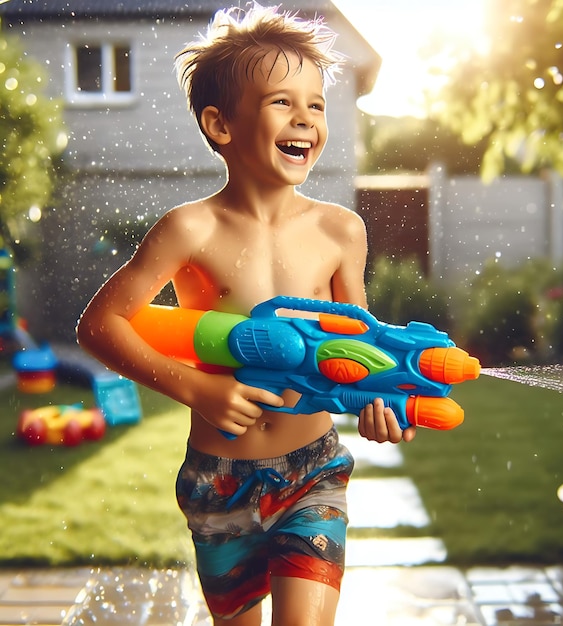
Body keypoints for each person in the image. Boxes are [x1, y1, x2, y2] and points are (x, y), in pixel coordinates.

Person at [77, 4, 416, 625]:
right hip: (219, 477)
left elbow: (358, 348)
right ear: (221, 123)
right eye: (282, 102)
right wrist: (199, 387)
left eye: (316, 105)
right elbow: (100, 325)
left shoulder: (341, 231)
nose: (306, 120)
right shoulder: (189, 229)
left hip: (314, 467)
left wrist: (388, 403)